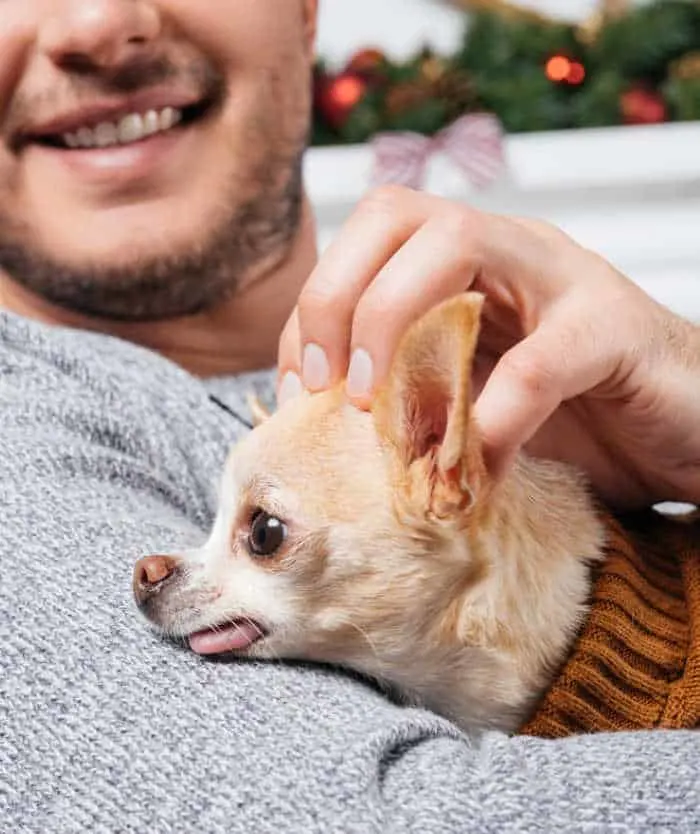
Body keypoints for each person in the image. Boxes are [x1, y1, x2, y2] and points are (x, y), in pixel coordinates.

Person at [0, 2, 698, 833]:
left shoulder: (542, 389)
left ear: (304, 12)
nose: (97, 21)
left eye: (264, 532)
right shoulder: (28, 436)